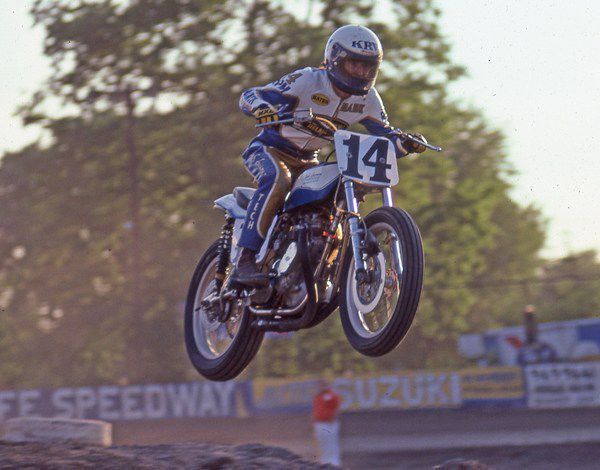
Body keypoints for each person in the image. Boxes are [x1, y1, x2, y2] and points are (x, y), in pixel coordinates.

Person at [231, 24, 428, 285]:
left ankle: (316, 268)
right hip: (269, 149)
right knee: (278, 180)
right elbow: (251, 95)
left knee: (332, 201)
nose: (361, 72)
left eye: (367, 67)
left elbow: (386, 135)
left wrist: (406, 143)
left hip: (309, 160)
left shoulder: (369, 99)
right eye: (354, 64)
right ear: (335, 59)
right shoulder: (307, 80)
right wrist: (263, 108)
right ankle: (245, 259)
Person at [312, 378, 342, 466]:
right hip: (319, 424)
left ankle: (334, 463)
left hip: (329, 424)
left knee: (331, 443)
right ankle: (323, 462)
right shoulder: (317, 397)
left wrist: (333, 420)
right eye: (319, 385)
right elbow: (316, 409)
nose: (321, 387)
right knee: (321, 443)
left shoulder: (332, 395)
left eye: (323, 384)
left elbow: (336, 409)